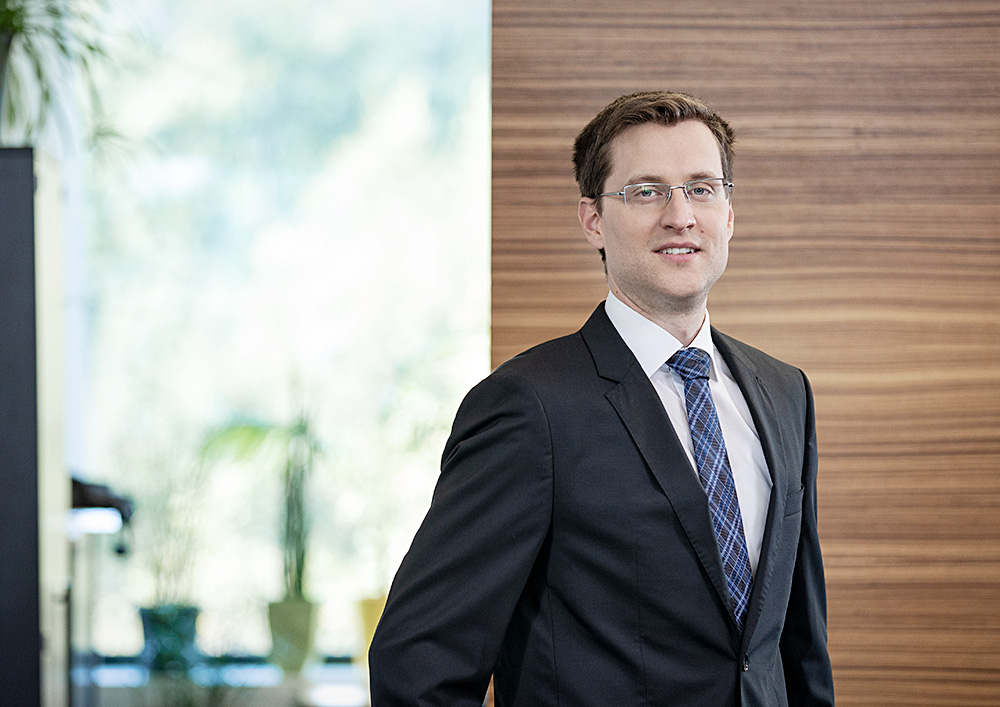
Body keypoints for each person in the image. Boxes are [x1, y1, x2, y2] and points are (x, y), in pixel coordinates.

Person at [368, 91, 835, 706]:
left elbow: (798, 649)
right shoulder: (528, 407)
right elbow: (417, 659)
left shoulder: (784, 392)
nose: (680, 216)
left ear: (728, 213)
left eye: (701, 189)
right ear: (593, 220)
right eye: (646, 191)